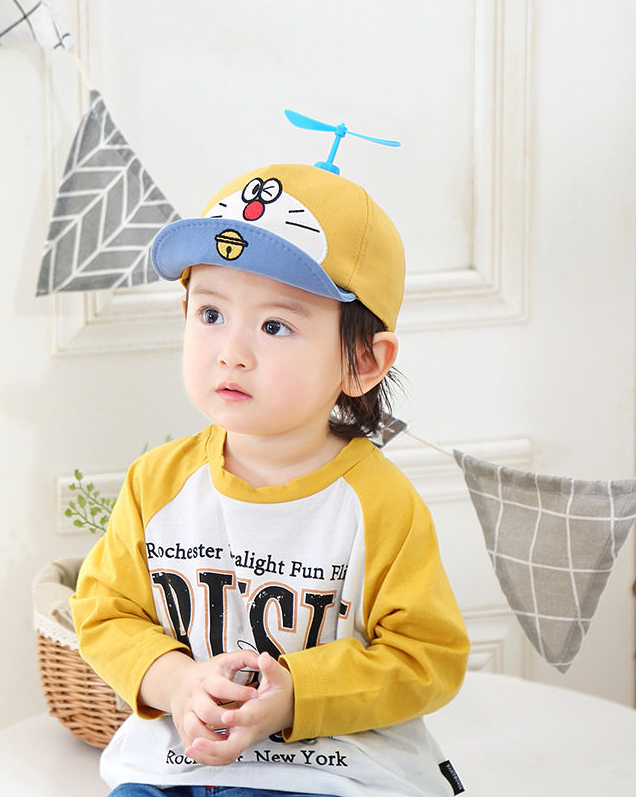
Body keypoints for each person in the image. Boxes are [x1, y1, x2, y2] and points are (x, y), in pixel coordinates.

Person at [71, 162, 470, 797]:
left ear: (363, 361)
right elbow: (105, 613)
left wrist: (296, 695)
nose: (231, 351)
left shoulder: (378, 504)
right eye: (210, 314)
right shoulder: (158, 482)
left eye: (274, 326)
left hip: (332, 775)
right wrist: (178, 682)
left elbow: (428, 656)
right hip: (175, 765)